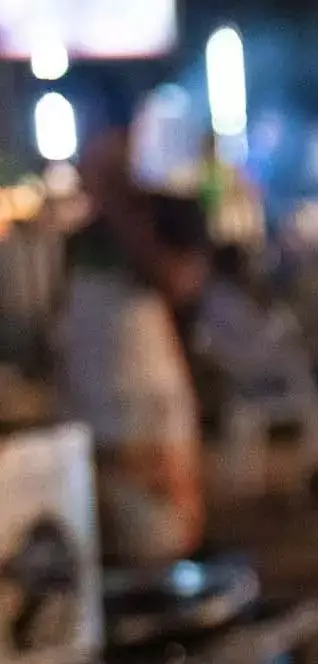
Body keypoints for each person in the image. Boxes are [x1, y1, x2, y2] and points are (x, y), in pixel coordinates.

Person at [57, 87, 212, 568]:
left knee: (164, 539)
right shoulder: (80, 235)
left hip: (151, 410)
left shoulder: (170, 210)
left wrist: (122, 211)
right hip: (88, 404)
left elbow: (181, 283)